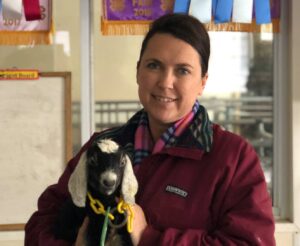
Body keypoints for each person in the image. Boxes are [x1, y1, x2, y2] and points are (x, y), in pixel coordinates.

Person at [25, 13, 276, 245]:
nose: (166, 82)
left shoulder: (233, 158)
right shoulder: (103, 146)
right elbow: (40, 224)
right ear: (138, 71)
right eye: (154, 65)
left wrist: (149, 236)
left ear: (202, 82)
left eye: (183, 71)